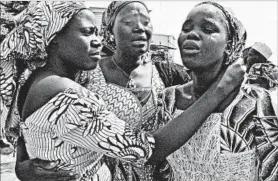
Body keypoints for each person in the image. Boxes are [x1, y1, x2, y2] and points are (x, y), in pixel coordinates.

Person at [0, 1, 246, 181]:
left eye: (146, 22)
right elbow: (32, 126)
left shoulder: (168, 74)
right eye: (128, 23)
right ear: (110, 30)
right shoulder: (84, 73)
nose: (140, 29)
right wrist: (23, 166)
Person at [165, 2, 278, 181]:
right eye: (186, 28)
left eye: (208, 29)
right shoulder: (168, 99)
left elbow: (272, 172)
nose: (192, 34)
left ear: (230, 44)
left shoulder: (252, 102)